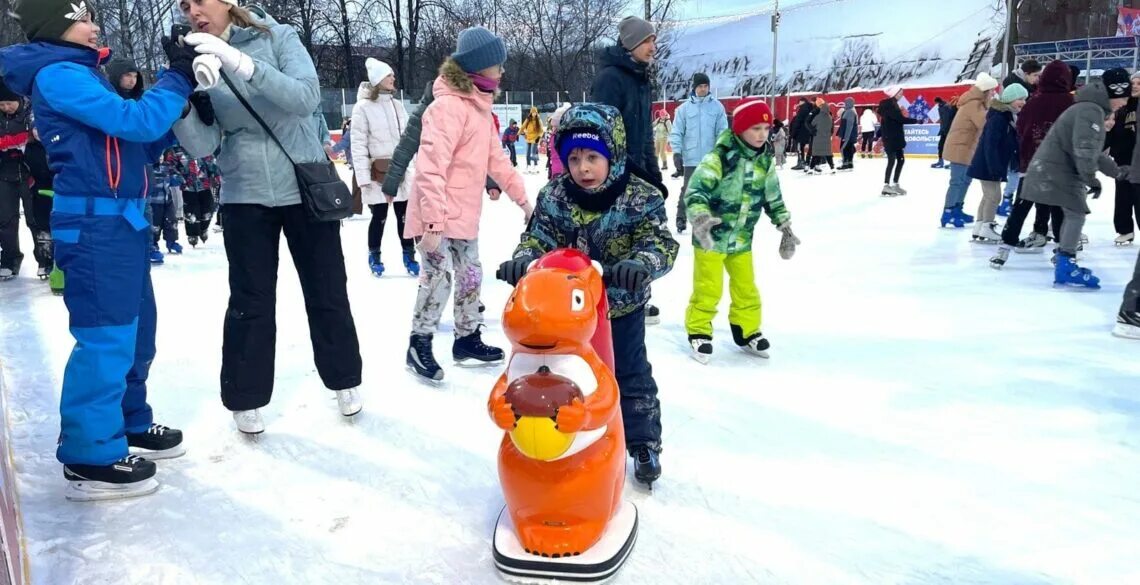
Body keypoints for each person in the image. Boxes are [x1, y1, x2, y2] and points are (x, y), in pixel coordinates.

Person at [1, 0, 197, 499]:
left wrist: (182, 103)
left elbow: (136, 143)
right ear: (59, 29)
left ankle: (127, 421)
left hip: (122, 224)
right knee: (106, 337)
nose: (94, 27)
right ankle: (90, 454)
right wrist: (174, 79)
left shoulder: (85, 73)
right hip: (92, 226)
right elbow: (133, 123)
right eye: (83, 20)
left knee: (137, 333)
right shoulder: (58, 76)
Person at [173, 0, 363, 433]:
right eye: (185, 6)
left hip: (304, 187)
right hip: (246, 195)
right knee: (250, 300)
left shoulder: (279, 37)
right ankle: (245, 395)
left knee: (327, 289)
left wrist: (241, 63)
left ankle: (344, 378)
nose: (193, 12)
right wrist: (181, 101)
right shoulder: (199, 59)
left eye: (200, 1)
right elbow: (204, 145)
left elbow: (305, 98)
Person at [496, 103, 677, 486]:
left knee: (629, 372)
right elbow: (538, 236)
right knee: (565, 374)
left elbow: (660, 242)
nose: (583, 168)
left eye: (593, 157)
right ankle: (565, 435)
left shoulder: (641, 196)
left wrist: (640, 264)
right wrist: (524, 260)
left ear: (612, 153)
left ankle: (642, 440)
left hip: (619, 307)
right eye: (574, 158)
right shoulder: (555, 196)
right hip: (565, 314)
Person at [403, 26, 532, 383]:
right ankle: (420, 342)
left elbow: (499, 162)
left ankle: (467, 338)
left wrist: (525, 202)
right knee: (438, 278)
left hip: (464, 216)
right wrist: (431, 223)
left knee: (471, 276)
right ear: (479, 66)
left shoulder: (479, 108)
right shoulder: (446, 107)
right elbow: (430, 168)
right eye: (497, 64)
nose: (502, 70)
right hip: (436, 216)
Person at [683, 100, 798, 365]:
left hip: (742, 239)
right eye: (755, 128)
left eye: (766, 128)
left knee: (746, 287)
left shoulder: (764, 161)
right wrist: (701, 220)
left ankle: (747, 331)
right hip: (710, 238)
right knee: (708, 287)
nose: (762, 135)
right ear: (740, 129)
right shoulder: (718, 158)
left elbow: (772, 195)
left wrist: (784, 225)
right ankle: (699, 330)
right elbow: (696, 191)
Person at [993, 69, 1131, 285]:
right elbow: (1084, 149)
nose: (1123, 104)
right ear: (1115, 92)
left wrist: (1117, 172)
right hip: (1057, 171)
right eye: (1123, 98)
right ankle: (1065, 262)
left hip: (1052, 169)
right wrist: (1091, 179)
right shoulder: (1091, 111)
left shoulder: (1090, 108)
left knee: (1072, 213)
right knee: (1075, 213)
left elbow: (1093, 152)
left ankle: (1064, 258)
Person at [592, 15, 666, 326]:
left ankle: (637, 295)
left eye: (653, 40)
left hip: (637, 169)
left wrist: (654, 172)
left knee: (641, 234)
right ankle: (605, 297)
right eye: (649, 41)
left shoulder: (641, 78)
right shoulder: (610, 78)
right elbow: (602, 132)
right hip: (614, 173)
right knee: (614, 235)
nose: (653, 46)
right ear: (633, 43)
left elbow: (645, 131)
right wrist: (624, 171)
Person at [993, 60, 1075, 257]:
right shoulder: (1071, 103)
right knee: (1058, 208)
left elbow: (1021, 128)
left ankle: (1006, 244)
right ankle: (1063, 249)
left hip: (1031, 163)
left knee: (1022, 205)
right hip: (1059, 166)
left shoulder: (1033, 102)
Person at [351, 58, 418, 278]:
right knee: (379, 216)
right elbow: (358, 144)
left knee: (404, 216)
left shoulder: (397, 105)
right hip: (377, 173)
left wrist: (415, 167)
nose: (393, 78)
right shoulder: (362, 108)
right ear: (379, 79)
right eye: (389, 75)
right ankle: (374, 254)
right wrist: (362, 178)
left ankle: (409, 255)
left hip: (400, 171)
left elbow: (409, 139)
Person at [965, 84, 1027, 243]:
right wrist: (994, 167)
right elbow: (990, 144)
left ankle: (979, 227)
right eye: (1020, 99)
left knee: (987, 197)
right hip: (988, 164)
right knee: (994, 197)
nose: (1023, 102)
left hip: (989, 163)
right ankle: (987, 226)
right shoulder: (999, 117)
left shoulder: (1007, 116)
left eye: (1024, 99)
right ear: (1010, 99)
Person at [668, 72, 727, 232]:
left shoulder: (717, 107)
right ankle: (681, 218)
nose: (703, 89)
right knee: (688, 189)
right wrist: (677, 153)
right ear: (694, 87)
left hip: (711, 158)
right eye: (700, 86)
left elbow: (722, 131)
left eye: (705, 86)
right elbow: (677, 132)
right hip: (691, 158)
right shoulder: (684, 109)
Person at [941, 73, 999, 226]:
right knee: (957, 182)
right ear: (986, 91)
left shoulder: (977, 103)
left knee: (965, 180)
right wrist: (995, 109)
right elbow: (983, 123)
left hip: (966, 147)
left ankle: (957, 208)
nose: (993, 94)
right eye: (992, 91)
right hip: (960, 147)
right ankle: (948, 212)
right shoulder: (974, 104)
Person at [0, 79, 35, 280]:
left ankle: (46, 259)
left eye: (9, 103)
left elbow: (33, 135)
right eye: (2, 104)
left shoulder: (30, 111)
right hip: (5, 172)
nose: (6, 108)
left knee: (34, 218)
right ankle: (10, 259)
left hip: (30, 171)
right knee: (6, 219)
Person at [1107, 72, 1140, 246]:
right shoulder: (1122, 107)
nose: (1134, 86)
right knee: (1122, 197)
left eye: (1139, 83)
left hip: (1138, 161)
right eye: (1132, 83)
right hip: (1121, 159)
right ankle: (1125, 230)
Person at [166, 145, 219, 247]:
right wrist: (180, 178)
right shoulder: (176, 149)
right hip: (188, 186)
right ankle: (192, 234)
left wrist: (215, 175)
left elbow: (212, 162)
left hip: (205, 184)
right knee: (191, 210)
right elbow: (170, 166)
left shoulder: (203, 146)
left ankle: (204, 227)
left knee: (208, 208)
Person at [878, 86, 920, 196]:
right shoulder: (889, 105)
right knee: (892, 160)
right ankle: (886, 186)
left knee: (900, 160)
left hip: (896, 137)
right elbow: (900, 119)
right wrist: (916, 121)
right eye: (900, 92)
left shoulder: (894, 104)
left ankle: (895, 184)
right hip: (890, 138)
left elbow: (896, 120)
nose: (902, 94)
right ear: (894, 93)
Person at [808, 98, 835, 173]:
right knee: (828, 153)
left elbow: (812, 123)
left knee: (816, 153)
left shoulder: (818, 116)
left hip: (818, 137)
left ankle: (811, 169)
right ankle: (832, 168)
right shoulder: (830, 117)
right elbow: (832, 126)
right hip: (826, 138)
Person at [790, 97, 814, 169]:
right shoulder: (811, 108)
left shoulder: (803, 109)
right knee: (804, 148)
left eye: (799, 102)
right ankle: (806, 162)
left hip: (800, 132)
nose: (798, 104)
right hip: (808, 132)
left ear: (802, 102)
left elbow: (798, 122)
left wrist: (793, 133)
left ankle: (801, 162)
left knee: (800, 148)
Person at [837, 97, 859, 170]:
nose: (845, 104)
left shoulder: (850, 112)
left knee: (843, 148)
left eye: (846, 102)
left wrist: (846, 137)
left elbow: (849, 125)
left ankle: (845, 164)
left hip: (848, 135)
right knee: (849, 149)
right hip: (851, 135)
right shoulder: (852, 110)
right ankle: (849, 163)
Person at [521, 106, 544, 173]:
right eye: (532, 112)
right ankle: (528, 166)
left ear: (536, 113)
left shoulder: (538, 120)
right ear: (530, 113)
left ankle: (535, 166)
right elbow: (523, 127)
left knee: (533, 153)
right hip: (528, 139)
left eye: (535, 112)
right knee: (527, 154)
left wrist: (539, 137)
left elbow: (541, 130)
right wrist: (524, 132)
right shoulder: (528, 120)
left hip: (535, 139)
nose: (534, 114)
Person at [931, 96, 953, 168]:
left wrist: (945, 130)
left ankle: (951, 163)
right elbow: (944, 121)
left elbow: (947, 120)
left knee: (948, 147)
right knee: (940, 146)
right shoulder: (942, 107)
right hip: (944, 131)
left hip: (948, 131)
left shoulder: (945, 108)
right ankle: (941, 162)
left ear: (938, 102)